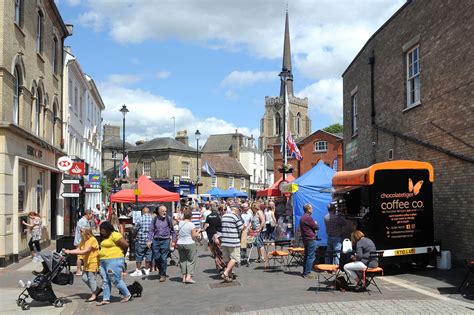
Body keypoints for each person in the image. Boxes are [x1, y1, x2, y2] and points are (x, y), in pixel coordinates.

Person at [96, 221, 131, 305]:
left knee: (115, 279)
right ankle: (106, 298)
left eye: (103, 230)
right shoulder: (104, 237)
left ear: (108, 229)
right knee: (105, 280)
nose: (102, 232)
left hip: (114, 260)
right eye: (101, 230)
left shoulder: (115, 235)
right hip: (103, 261)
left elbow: (125, 245)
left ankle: (127, 294)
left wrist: (122, 255)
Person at [64, 227, 99, 302]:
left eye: (82, 231)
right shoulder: (84, 240)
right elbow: (79, 249)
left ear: (87, 232)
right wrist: (69, 251)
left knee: (91, 278)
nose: (80, 233)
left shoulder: (92, 239)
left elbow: (85, 251)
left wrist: (70, 252)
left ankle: (94, 294)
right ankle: (97, 289)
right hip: (86, 262)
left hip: (93, 261)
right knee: (84, 278)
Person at [147, 205, 176, 282]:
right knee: (157, 258)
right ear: (159, 212)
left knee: (163, 258)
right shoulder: (155, 219)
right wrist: (149, 240)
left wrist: (173, 241)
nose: (164, 213)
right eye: (163, 211)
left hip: (165, 240)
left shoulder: (168, 219)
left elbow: (173, 231)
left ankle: (162, 274)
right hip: (156, 240)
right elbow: (151, 230)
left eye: (165, 211)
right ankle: (161, 271)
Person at [219, 206, 244, 282]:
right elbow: (241, 227)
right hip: (233, 241)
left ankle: (229, 275)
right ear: (236, 211)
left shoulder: (223, 216)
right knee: (234, 258)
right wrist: (246, 226)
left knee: (228, 259)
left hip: (225, 240)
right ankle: (226, 272)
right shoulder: (235, 216)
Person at [177, 209, 200, 284]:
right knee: (191, 260)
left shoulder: (180, 223)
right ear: (191, 216)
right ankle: (188, 277)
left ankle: (184, 276)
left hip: (180, 243)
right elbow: (194, 236)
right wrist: (198, 231)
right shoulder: (191, 224)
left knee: (183, 260)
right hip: (189, 243)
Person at [130, 207, 153, 277]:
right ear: (148, 212)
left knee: (139, 255)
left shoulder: (140, 219)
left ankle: (138, 270)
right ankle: (146, 269)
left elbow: (135, 229)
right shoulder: (152, 219)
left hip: (141, 240)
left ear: (142, 212)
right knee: (148, 255)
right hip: (150, 241)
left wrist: (133, 236)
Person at [300, 203, 319, 278]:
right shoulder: (308, 217)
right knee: (310, 256)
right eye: (311, 208)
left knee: (307, 255)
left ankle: (305, 271)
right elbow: (316, 227)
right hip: (310, 238)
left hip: (306, 238)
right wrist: (316, 224)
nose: (312, 209)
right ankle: (307, 273)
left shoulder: (303, 217)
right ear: (308, 209)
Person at [74, 209, 94, 275]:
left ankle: (81, 269)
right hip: (80, 242)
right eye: (91, 214)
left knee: (82, 256)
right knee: (80, 256)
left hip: (82, 241)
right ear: (88, 214)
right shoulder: (83, 221)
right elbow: (83, 231)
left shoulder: (86, 221)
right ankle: (78, 270)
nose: (92, 216)